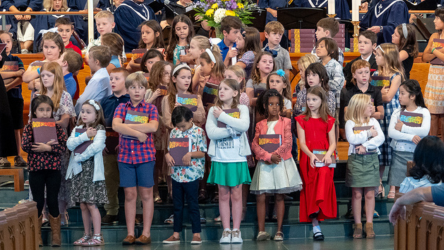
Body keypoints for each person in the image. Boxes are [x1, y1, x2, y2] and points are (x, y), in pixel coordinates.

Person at [112, 73, 159, 245]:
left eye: (140, 87)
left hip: (145, 156)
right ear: (128, 89)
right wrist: (139, 133)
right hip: (125, 156)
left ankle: (146, 233)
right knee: (129, 194)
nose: (136, 91)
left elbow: (153, 127)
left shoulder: (150, 109)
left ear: (145, 90)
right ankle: (130, 233)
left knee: (146, 194)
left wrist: (126, 126)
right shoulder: (122, 108)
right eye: (133, 87)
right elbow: (116, 125)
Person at [251, 89, 302, 241]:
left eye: (277, 104)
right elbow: (255, 144)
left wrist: (276, 155)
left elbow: (288, 141)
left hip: (281, 162)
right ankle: (261, 230)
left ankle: (279, 230)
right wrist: (268, 156)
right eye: (271, 104)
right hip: (266, 162)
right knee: (261, 196)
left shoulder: (286, 122)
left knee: (280, 196)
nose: (274, 107)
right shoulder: (260, 124)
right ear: (265, 106)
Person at [206, 79, 251, 244]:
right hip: (220, 157)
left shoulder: (242, 108)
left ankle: (236, 229)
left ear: (235, 92)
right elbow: (211, 133)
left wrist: (223, 118)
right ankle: (226, 230)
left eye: (226, 89)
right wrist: (232, 130)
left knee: (237, 195)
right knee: (223, 195)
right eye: (220, 89)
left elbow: (244, 125)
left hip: (237, 157)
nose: (221, 91)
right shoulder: (213, 110)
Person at [21, 95, 67, 247]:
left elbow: (63, 147)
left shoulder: (57, 127)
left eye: (48, 110)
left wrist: (48, 148)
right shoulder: (29, 127)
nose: (45, 113)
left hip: (53, 169)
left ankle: (56, 236)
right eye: (41, 110)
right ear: (34, 112)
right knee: (38, 201)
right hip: (36, 169)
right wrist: (38, 142)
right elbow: (25, 146)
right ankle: (37, 235)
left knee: (53, 200)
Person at [36, 62, 76, 226]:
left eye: (48, 75)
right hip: (40, 143)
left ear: (56, 77)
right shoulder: (37, 96)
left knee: (59, 180)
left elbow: (66, 121)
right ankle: (44, 214)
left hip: (58, 144)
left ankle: (60, 213)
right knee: (42, 179)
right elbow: (33, 119)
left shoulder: (64, 96)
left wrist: (50, 122)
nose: (45, 78)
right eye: (43, 75)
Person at [295, 86, 337, 241]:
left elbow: (332, 142)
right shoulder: (301, 119)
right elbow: (302, 143)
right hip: (309, 157)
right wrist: (311, 155)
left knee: (324, 175)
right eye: (308, 99)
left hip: (324, 156)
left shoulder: (329, 119)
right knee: (310, 186)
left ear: (321, 101)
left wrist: (328, 155)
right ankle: (315, 223)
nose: (310, 102)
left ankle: (320, 208)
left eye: (314, 99)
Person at [163, 106, 207, 245]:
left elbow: (202, 152)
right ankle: (176, 234)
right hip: (176, 173)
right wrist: (167, 155)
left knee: (193, 204)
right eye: (178, 126)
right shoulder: (174, 132)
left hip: (191, 174)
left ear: (191, 120)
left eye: (183, 126)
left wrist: (190, 154)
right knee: (177, 205)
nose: (181, 129)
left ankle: (196, 234)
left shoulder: (199, 132)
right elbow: (169, 149)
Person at [66, 100, 107, 246]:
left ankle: (97, 235)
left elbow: (96, 147)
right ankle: (87, 234)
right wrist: (85, 136)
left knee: (91, 203)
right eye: (82, 111)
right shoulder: (78, 128)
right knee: (82, 204)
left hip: (91, 170)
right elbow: (70, 144)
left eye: (88, 112)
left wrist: (80, 157)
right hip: (79, 171)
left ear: (96, 115)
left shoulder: (100, 129)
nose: (84, 114)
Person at [344, 94, 385, 239]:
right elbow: (352, 138)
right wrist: (368, 133)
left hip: (371, 159)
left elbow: (380, 138)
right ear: (359, 106)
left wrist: (365, 146)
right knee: (357, 194)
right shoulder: (350, 122)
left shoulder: (374, 121)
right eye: (368, 104)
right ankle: (357, 225)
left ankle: (369, 224)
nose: (372, 107)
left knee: (369, 193)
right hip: (355, 160)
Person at [388, 80, 431, 196]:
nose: (399, 96)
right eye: (399, 93)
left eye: (402, 93)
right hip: (399, 154)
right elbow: (392, 133)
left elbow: (424, 131)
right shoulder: (397, 112)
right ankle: (397, 214)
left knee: (416, 191)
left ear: (412, 96)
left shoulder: (424, 112)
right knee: (399, 190)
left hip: (417, 155)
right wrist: (411, 136)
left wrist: (403, 128)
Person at [100, 68, 130, 225]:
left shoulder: (130, 101)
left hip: (126, 145)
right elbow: (98, 124)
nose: (112, 81)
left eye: (117, 78)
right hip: (108, 145)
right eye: (111, 78)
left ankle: (133, 211)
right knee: (109, 179)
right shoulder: (105, 101)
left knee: (129, 180)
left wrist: (123, 140)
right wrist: (101, 142)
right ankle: (111, 210)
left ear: (126, 81)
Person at [373, 43, 404, 199]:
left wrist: (380, 94)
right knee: (381, 151)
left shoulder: (396, 75)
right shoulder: (376, 75)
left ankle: (393, 186)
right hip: (379, 116)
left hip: (391, 115)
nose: (375, 57)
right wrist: (379, 94)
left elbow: (389, 97)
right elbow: (372, 95)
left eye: (378, 55)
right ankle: (378, 183)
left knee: (392, 151)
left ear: (387, 57)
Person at [144, 61, 173, 204]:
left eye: (170, 73)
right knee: (155, 164)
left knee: (168, 163)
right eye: (165, 73)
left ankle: (171, 190)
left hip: (167, 131)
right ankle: (155, 192)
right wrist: (153, 97)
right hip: (155, 131)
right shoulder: (150, 91)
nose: (168, 76)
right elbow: (142, 111)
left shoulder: (173, 91)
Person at [0, 31, 26, 167]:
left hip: (15, 98)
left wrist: (6, 87)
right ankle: (3, 157)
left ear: (12, 43)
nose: (5, 45)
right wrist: (14, 73)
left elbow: (21, 77)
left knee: (17, 127)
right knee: (3, 127)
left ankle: (18, 156)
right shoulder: (0, 59)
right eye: (2, 42)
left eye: (8, 41)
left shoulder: (17, 59)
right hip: (2, 101)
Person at [422, 8, 444, 141]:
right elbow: (425, 57)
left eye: (437, 18)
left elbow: (431, 53)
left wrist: (434, 50)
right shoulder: (434, 36)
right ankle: (433, 146)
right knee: (434, 114)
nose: (434, 20)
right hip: (433, 77)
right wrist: (439, 52)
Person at [75, 46, 112, 114]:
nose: (88, 61)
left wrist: (75, 114)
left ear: (97, 62)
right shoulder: (104, 74)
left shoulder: (97, 79)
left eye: (90, 58)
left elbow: (82, 101)